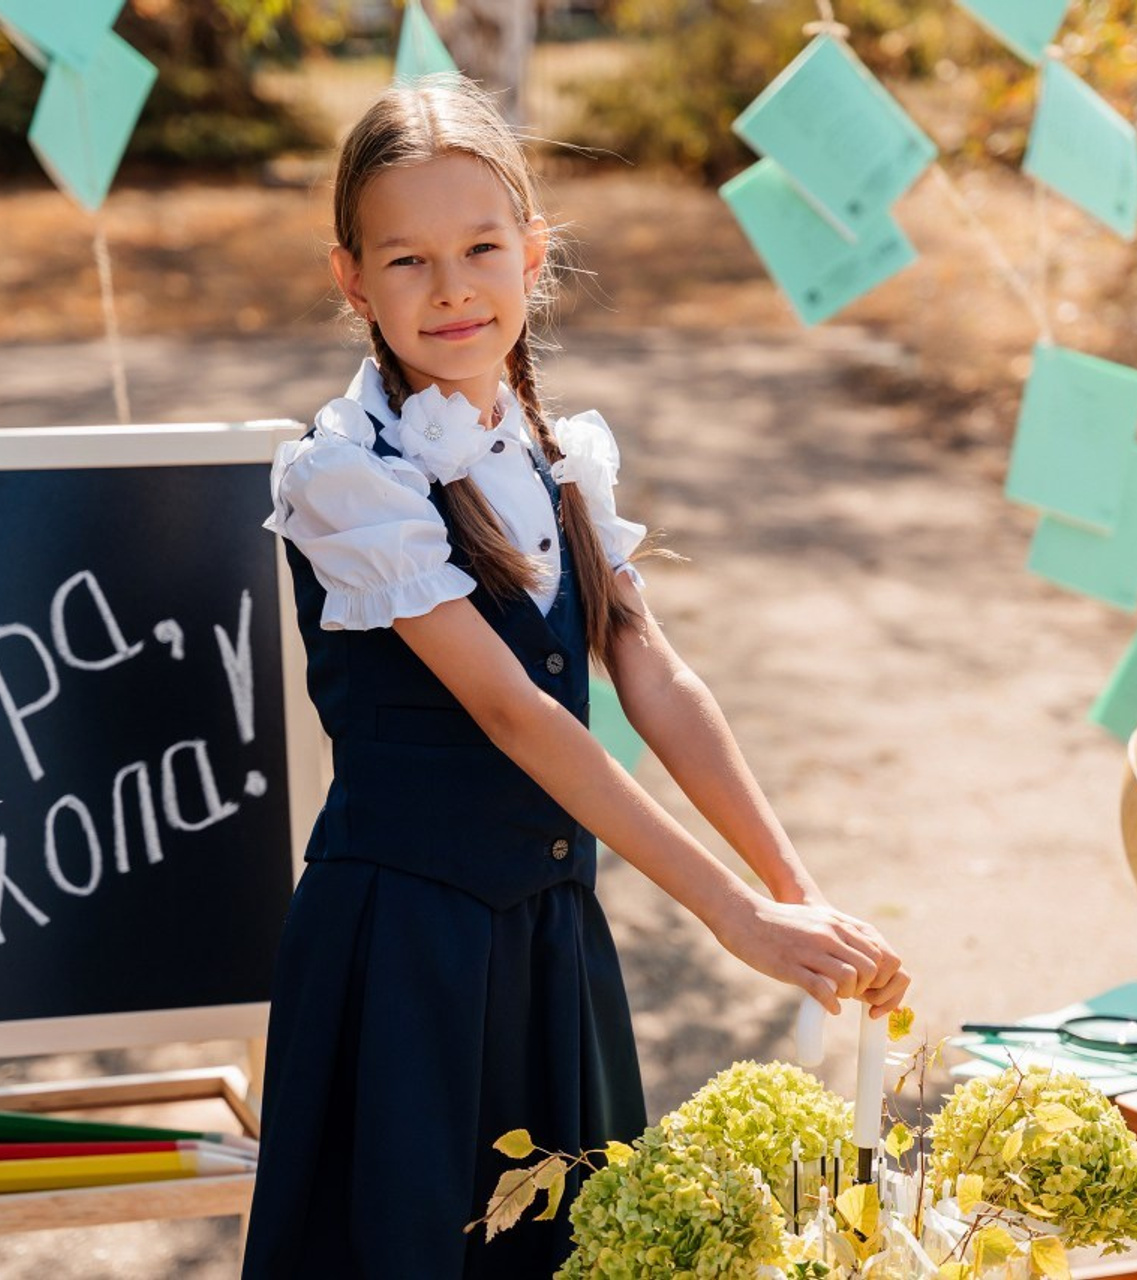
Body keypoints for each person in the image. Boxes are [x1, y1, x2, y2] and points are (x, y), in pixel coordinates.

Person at [242, 74, 909, 1280]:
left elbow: (653, 675)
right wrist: (728, 911)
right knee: (402, 1244)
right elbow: (510, 712)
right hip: (403, 946)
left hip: (550, 936)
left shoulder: (556, 456)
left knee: (566, 1246)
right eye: (406, 260)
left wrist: (793, 896)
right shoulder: (345, 475)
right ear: (350, 278)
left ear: (533, 252)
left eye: (481, 247)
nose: (450, 287)